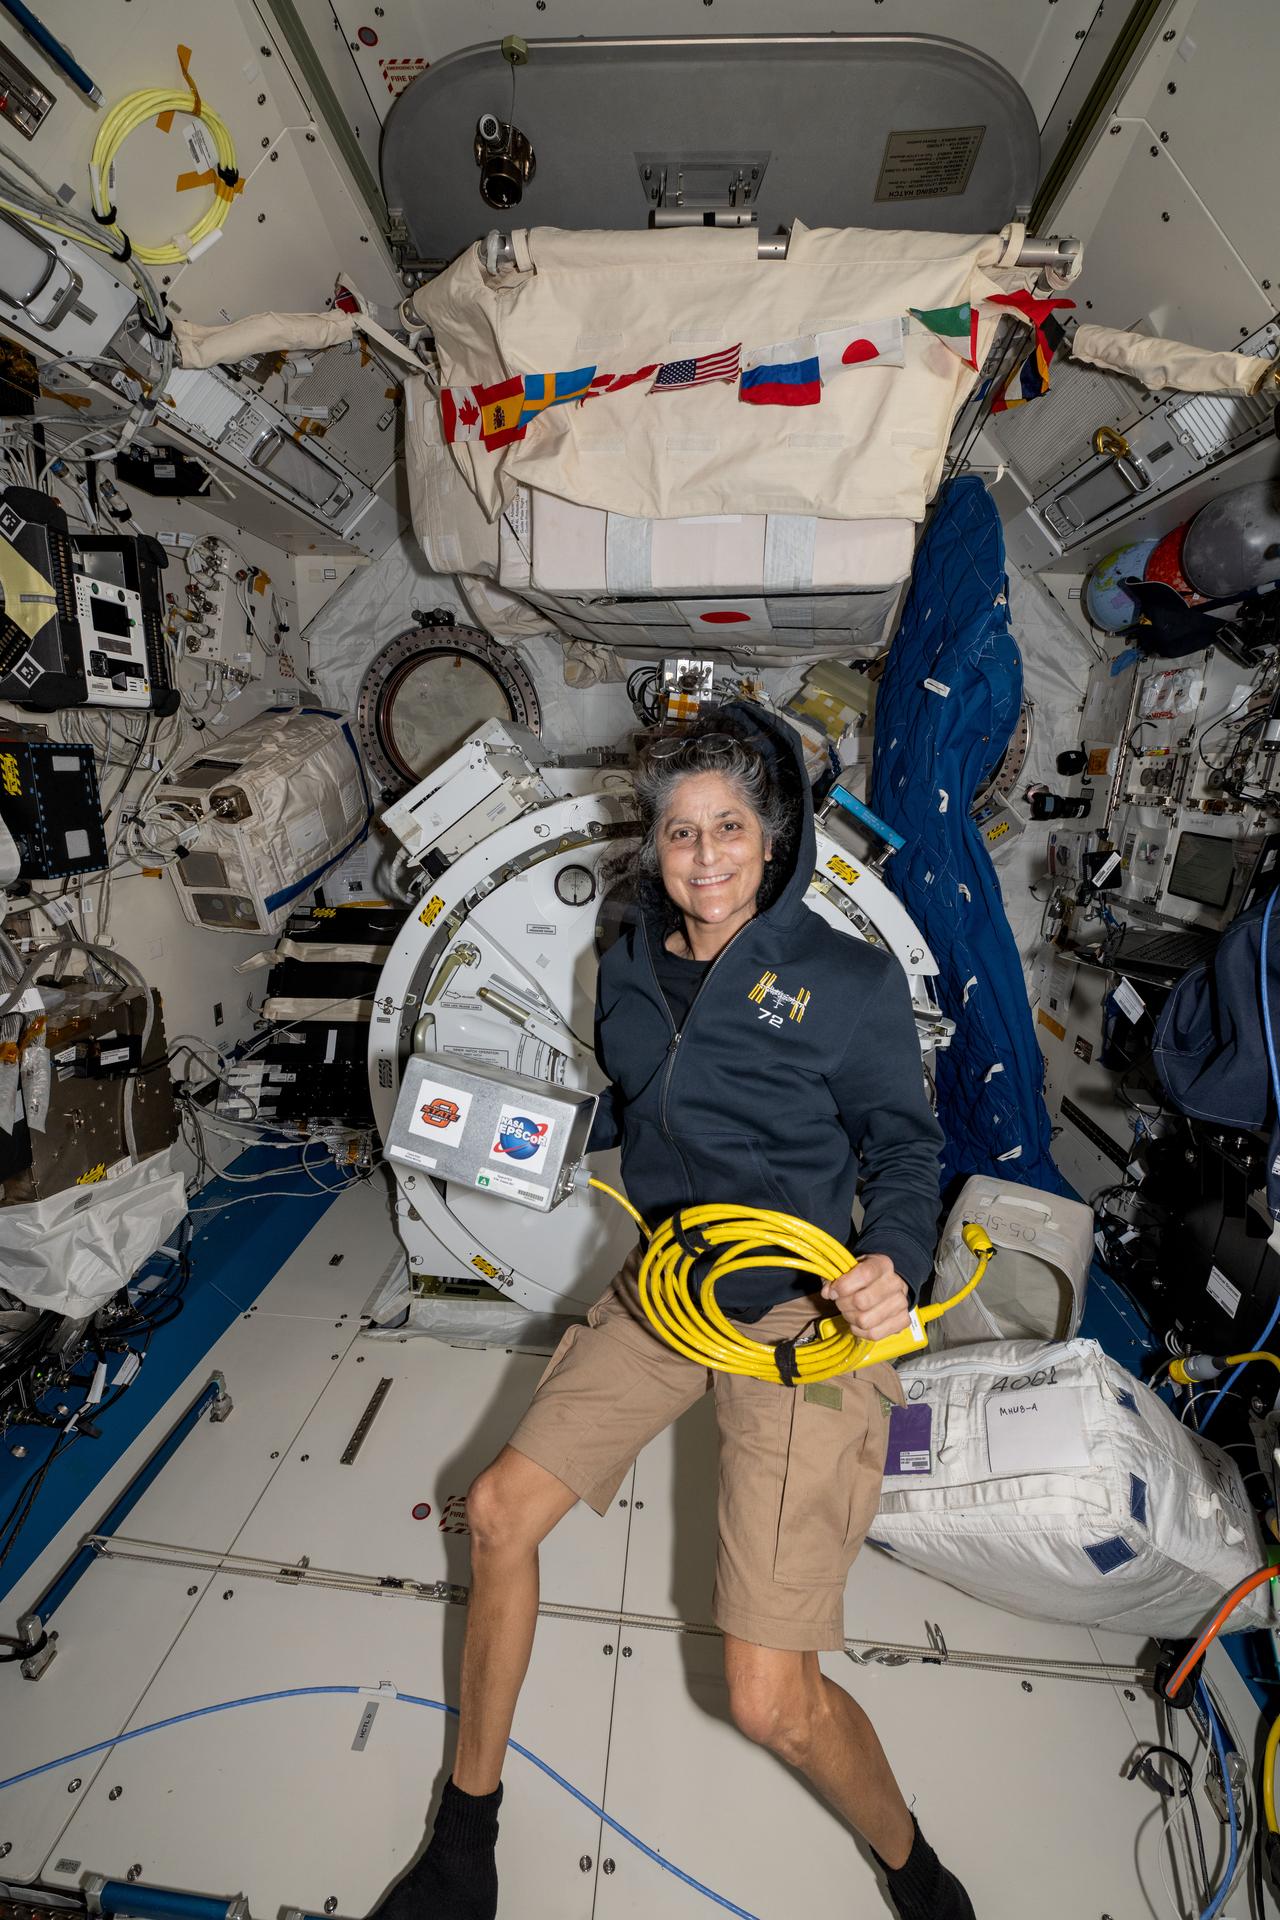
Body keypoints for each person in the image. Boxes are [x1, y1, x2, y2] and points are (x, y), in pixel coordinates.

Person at [372, 704, 971, 1920]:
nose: (703, 857)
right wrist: (506, 1136)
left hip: (799, 1320)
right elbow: (638, 1105)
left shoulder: (844, 982)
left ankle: (918, 1874)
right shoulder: (628, 958)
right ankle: (464, 1842)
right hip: (666, 1285)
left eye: (729, 828)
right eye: (680, 832)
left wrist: (891, 1256)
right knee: (495, 1513)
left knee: (768, 1700)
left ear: (773, 834)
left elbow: (905, 1148)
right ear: (653, 844)